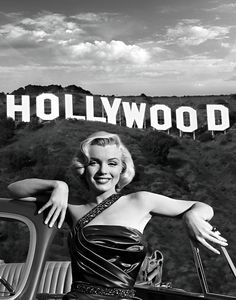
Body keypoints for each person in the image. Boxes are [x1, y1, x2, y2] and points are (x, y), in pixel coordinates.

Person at [8, 131, 228, 300]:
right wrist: (58, 185)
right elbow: (14, 189)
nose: (104, 171)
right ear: (83, 167)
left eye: (112, 163)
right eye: (94, 162)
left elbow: (202, 206)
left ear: (122, 168)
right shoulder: (70, 208)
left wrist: (191, 217)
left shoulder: (141, 201)